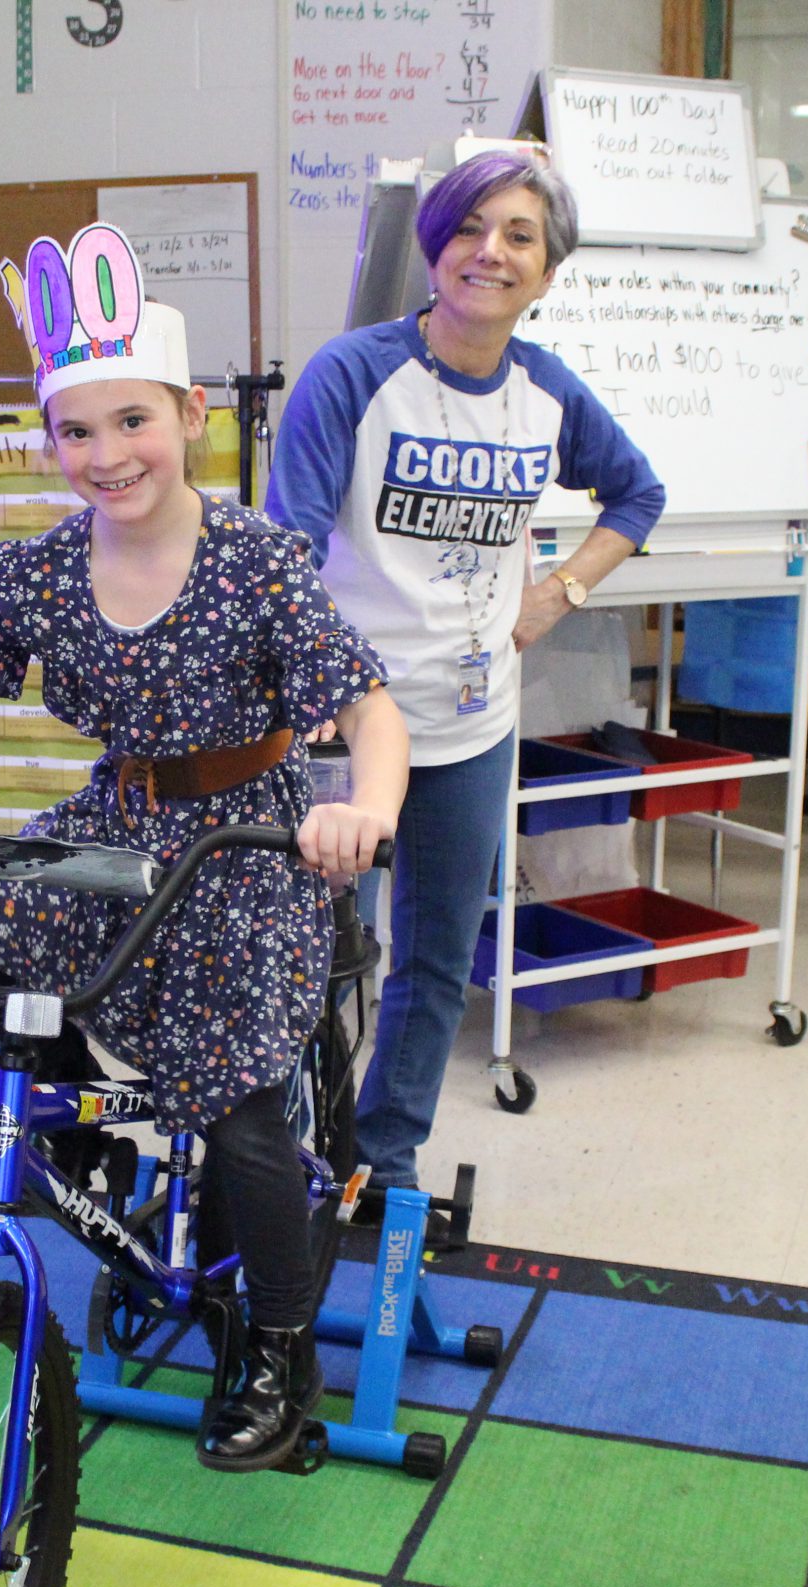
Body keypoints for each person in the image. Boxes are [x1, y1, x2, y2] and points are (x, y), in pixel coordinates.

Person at [0, 222, 409, 1472]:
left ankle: (274, 1349)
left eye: (133, 423)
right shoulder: (50, 567)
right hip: (118, 823)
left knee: (233, 1107)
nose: (106, 456)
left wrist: (362, 807)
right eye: (75, 431)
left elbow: (368, 703)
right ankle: (76, 1137)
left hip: (247, 837)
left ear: (192, 414)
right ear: (49, 440)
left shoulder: (257, 563)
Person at [266, 150, 664, 1218]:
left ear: (545, 273)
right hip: (341, 734)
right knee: (307, 958)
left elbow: (637, 493)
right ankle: (289, 1153)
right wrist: (299, 686)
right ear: (436, 245)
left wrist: (560, 595)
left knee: (433, 962)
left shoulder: (548, 395)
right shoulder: (351, 374)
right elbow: (288, 545)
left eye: (520, 237)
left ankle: (381, 1166)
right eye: (470, 227)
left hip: (473, 728)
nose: (491, 251)